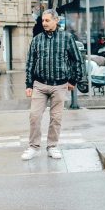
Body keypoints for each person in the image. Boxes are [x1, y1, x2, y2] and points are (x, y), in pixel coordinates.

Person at [22, 8, 85, 161]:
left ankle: (52, 146)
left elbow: (77, 60)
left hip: (60, 85)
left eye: (47, 20)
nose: (44, 23)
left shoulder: (67, 38)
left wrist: (73, 80)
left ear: (56, 20)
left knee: (56, 118)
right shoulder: (36, 40)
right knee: (34, 116)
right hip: (40, 85)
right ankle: (33, 147)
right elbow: (30, 62)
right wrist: (28, 84)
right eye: (43, 20)